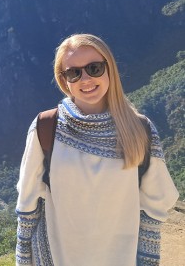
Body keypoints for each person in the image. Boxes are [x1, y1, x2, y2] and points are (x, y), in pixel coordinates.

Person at [15, 34, 179, 266]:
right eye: (74, 72)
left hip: (120, 259)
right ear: (64, 80)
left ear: (109, 68)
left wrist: (147, 260)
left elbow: (153, 206)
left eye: (94, 68)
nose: (86, 79)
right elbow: (27, 205)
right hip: (59, 257)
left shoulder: (139, 130)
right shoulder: (46, 127)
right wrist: (23, 259)